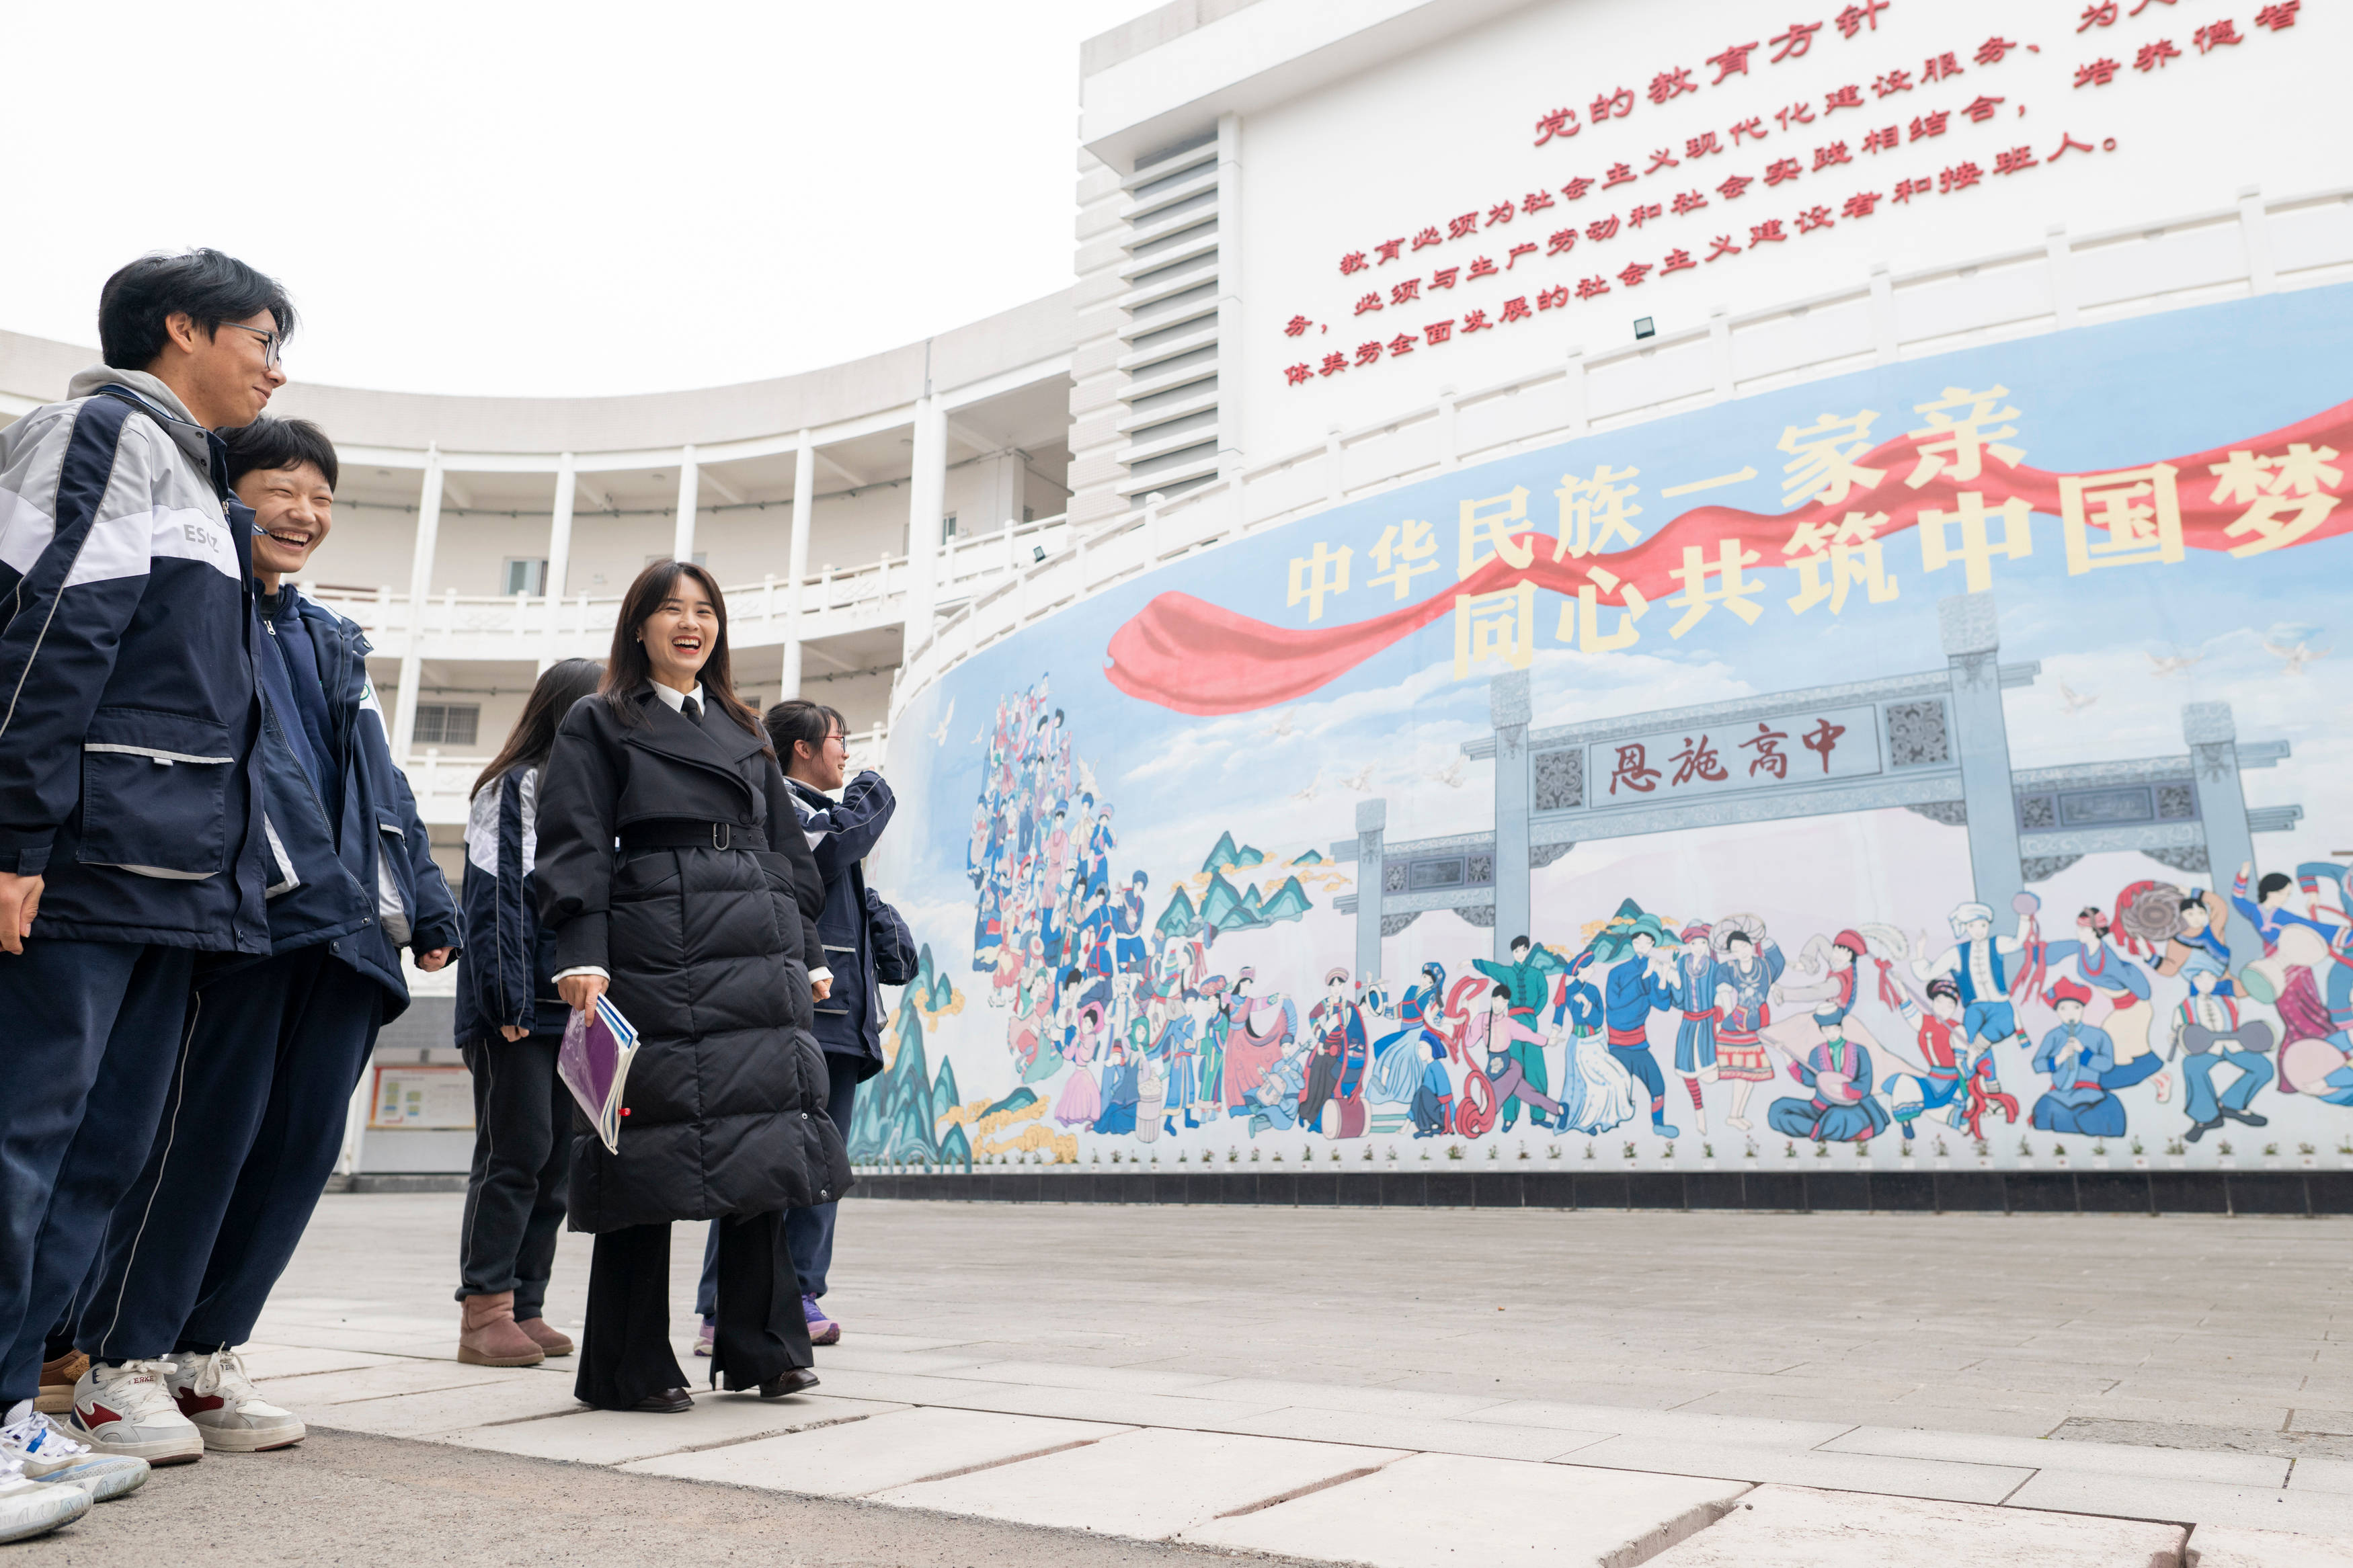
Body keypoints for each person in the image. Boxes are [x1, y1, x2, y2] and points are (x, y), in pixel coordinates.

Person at [65, 417, 458, 1464]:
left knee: (294, 1156)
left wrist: (428, 900)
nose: (304, 513)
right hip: (242, 924)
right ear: (227, 497)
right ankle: (118, 1364)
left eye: (321, 497)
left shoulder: (331, 640)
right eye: (281, 488)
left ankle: (206, 1355)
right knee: (198, 1146)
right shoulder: (202, 610)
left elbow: (381, 784)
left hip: (348, 938)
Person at [0, 249, 294, 1516]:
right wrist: (15, 836)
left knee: (98, 1154)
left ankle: (17, 1412)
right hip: (79, 858)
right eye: (263, 339)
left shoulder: (194, 476)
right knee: (23, 1137)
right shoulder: (108, 433)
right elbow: (51, 630)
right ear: (183, 326)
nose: (275, 370)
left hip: (161, 877)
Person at [534, 561, 846, 1413]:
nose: (689, 623)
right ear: (637, 625)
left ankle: (763, 1347)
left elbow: (786, 851)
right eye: (670, 609)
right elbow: (574, 840)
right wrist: (581, 950)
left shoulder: (743, 725)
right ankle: (627, 1365)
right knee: (646, 1149)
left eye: (704, 610)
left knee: (762, 1142)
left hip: (754, 942)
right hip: (651, 941)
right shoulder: (599, 719)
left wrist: (808, 949)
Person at [452, 659, 605, 1367]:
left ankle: (527, 1302)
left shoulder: (596, 791)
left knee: (555, 1163)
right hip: (514, 1007)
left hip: (572, 1008)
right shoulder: (516, 785)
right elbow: (496, 899)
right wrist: (508, 999)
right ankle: (484, 1310)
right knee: (514, 1152)